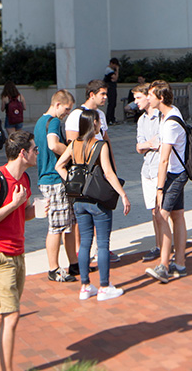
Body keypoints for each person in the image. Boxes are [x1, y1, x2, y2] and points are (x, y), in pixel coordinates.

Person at [0, 130, 39, 371]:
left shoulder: (24, 179)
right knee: (11, 316)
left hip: (17, 254)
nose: (37, 153)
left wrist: (40, 209)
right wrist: (14, 204)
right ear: (23, 153)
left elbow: (25, 214)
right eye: (34, 150)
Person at [56, 110, 130, 300]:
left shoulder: (74, 145)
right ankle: (104, 287)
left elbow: (59, 166)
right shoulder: (100, 145)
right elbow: (109, 173)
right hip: (98, 200)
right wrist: (122, 194)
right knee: (103, 244)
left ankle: (85, 286)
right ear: (95, 123)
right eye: (99, 122)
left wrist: (71, 183)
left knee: (85, 244)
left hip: (79, 201)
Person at [145, 79, 189, 283]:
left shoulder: (169, 122)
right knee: (177, 216)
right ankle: (179, 262)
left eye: (151, 95)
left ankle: (164, 265)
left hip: (173, 175)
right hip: (179, 172)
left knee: (161, 216)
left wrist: (160, 188)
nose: (148, 98)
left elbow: (164, 159)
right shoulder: (172, 114)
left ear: (160, 98)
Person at [34, 89, 78, 283]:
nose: (67, 113)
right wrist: (72, 152)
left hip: (48, 177)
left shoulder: (39, 123)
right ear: (57, 104)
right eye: (66, 109)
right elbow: (53, 144)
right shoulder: (54, 122)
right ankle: (54, 268)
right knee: (57, 226)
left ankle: (74, 263)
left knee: (68, 223)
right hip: (54, 178)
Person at [133, 83, 166, 263]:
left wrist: (149, 144)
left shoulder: (162, 118)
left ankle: (168, 245)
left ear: (148, 97)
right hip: (147, 170)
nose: (135, 102)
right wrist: (147, 144)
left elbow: (160, 142)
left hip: (159, 169)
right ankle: (159, 245)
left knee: (163, 210)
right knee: (154, 211)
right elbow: (139, 146)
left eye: (138, 97)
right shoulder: (142, 120)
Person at [103, 58, 120, 125]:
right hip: (110, 88)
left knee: (113, 103)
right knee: (111, 103)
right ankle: (109, 119)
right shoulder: (108, 70)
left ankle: (112, 118)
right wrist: (117, 71)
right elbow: (115, 78)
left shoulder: (110, 70)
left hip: (112, 87)